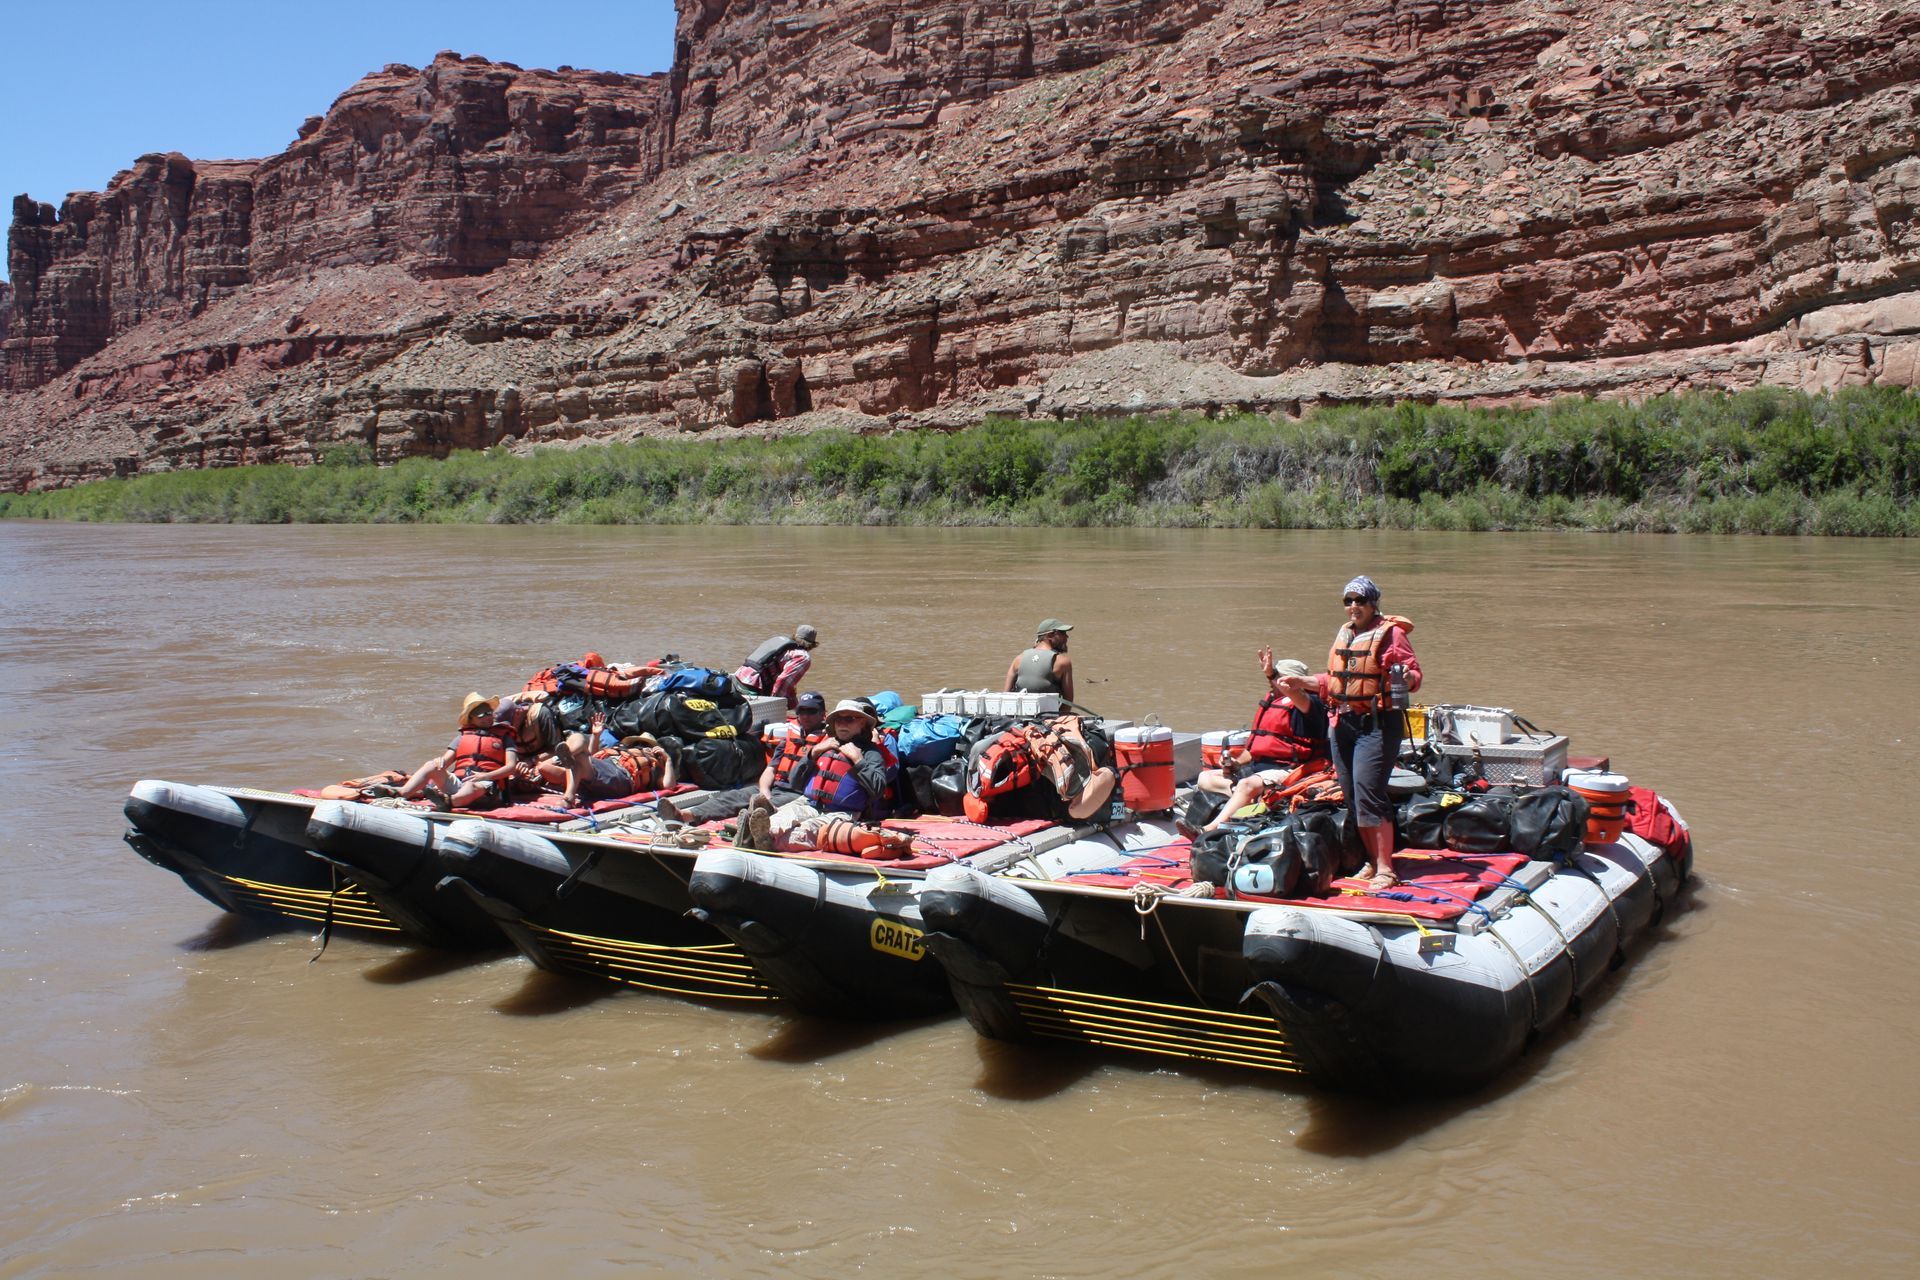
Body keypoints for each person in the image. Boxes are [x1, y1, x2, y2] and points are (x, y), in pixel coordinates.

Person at [1279, 575, 1421, 891]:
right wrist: (1300, 683)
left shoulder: (1392, 634)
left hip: (1378, 725)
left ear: (1373, 604)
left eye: (1360, 601)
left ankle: (1386, 868)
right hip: (1342, 724)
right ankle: (1371, 861)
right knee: (1354, 796)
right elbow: (1333, 681)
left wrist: (1403, 678)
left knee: (1369, 792)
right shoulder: (1346, 633)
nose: (1354, 607)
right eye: (1349, 601)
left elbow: (1414, 674)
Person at [1196, 650, 1331, 832]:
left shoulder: (1310, 705)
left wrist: (1272, 674)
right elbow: (1253, 750)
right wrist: (1234, 762)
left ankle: (1209, 829)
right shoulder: (1272, 702)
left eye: (1280, 679)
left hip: (1291, 771)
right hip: (1259, 772)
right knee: (1205, 778)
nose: (1274, 684)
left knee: (1246, 785)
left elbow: (1296, 695)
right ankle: (1254, 800)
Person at [657, 691, 829, 825]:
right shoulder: (790, 737)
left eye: (811, 711)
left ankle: (747, 828)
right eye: (801, 711)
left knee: (758, 808)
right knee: (732, 797)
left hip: (799, 794)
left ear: (823, 714)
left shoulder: (828, 742)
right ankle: (684, 815)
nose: (805, 716)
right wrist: (764, 791)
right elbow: (771, 769)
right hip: (776, 786)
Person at [397, 692, 520, 812]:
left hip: (487, 787)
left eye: (488, 712)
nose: (487, 717)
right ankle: (401, 793)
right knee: (431, 766)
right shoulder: (461, 738)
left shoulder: (505, 737)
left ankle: (449, 802)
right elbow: (444, 762)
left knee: (470, 786)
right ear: (471, 719)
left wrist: (485, 776)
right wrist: (439, 762)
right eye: (480, 714)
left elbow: (511, 767)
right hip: (459, 783)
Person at [537, 712, 676, 807]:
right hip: (597, 772)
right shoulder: (620, 750)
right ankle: (567, 759)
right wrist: (596, 736)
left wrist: (668, 761)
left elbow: (669, 786)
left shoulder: (655, 765)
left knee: (580, 757)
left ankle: (568, 797)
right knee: (550, 763)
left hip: (620, 778)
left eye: (645, 745)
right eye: (638, 744)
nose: (641, 747)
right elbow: (594, 755)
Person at [797, 698, 897, 821]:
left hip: (843, 813)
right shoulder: (824, 746)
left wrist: (858, 760)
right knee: (773, 822)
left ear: (862, 723)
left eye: (849, 719)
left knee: (799, 833)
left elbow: (878, 790)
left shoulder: (870, 752)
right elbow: (794, 782)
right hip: (808, 805)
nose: (843, 724)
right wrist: (812, 754)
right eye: (838, 720)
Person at [735, 625, 819, 708]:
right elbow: (783, 681)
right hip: (753, 683)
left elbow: (788, 684)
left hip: (739, 676)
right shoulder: (803, 656)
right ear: (812, 645)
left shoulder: (782, 644)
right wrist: (774, 705)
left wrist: (796, 706)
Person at [1004, 618, 1075, 703]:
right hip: (1050, 715)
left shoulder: (1018, 659)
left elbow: (1006, 695)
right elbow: (1068, 700)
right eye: (1062, 633)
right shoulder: (1063, 661)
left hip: (1018, 714)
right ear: (1049, 636)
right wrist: (1059, 716)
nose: (1067, 636)